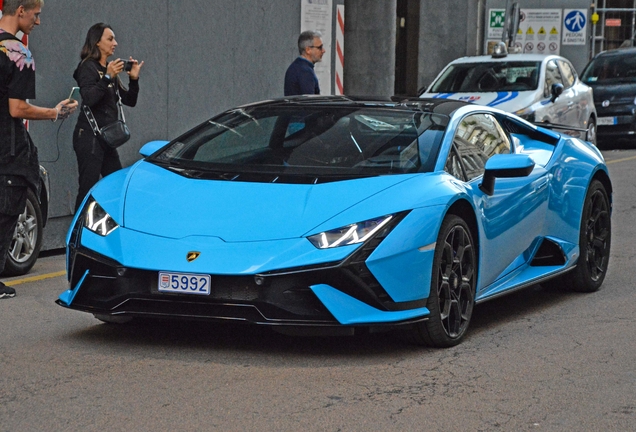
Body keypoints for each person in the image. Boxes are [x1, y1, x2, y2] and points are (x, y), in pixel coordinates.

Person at [0, 0, 77, 299]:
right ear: (21, 10)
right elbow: (17, 108)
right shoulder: (18, 53)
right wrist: (55, 112)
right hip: (8, 152)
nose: (39, 22)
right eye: (36, 14)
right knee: (8, 210)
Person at [72, 22, 143, 212]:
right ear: (97, 42)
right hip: (89, 137)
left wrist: (134, 79)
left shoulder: (109, 69)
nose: (115, 43)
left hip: (106, 138)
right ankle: (77, 235)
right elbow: (89, 98)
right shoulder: (88, 67)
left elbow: (129, 100)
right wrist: (107, 77)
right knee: (88, 188)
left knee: (117, 184)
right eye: (110, 39)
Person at [284, 30, 325, 96]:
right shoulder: (305, 71)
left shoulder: (296, 67)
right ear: (308, 50)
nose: (323, 51)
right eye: (320, 47)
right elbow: (310, 102)